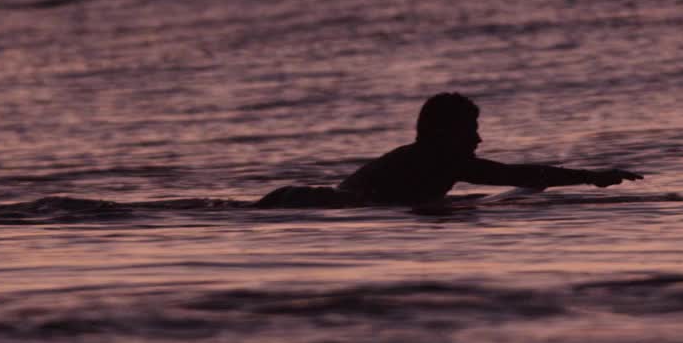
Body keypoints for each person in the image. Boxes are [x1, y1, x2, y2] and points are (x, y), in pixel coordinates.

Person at [255, 93, 641, 207]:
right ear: (443, 133)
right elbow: (514, 175)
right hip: (308, 203)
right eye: (470, 131)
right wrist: (592, 177)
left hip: (297, 198)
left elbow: (512, 176)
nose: (478, 140)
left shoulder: (411, 156)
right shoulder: (439, 159)